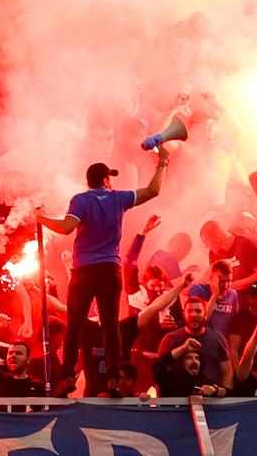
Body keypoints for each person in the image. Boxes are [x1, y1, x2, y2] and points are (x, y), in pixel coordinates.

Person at [36, 148, 169, 391]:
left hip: (84, 270)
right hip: (109, 269)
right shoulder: (118, 198)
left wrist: (41, 217)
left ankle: (66, 377)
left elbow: (66, 227)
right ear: (106, 181)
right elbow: (153, 190)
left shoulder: (81, 200)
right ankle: (114, 378)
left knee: (74, 323)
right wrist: (162, 163)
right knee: (110, 326)